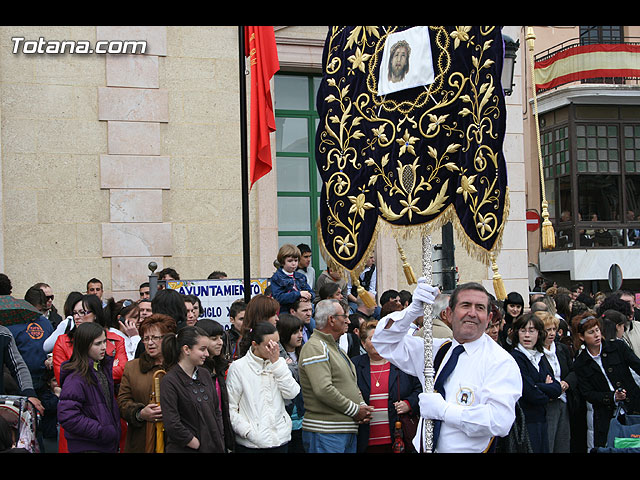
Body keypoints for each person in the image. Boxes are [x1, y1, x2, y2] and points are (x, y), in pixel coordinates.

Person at [372, 279, 522, 453]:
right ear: (449, 314)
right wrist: (411, 312)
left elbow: (499, 421)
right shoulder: (437, 351)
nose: (472, 313)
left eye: (480, 308)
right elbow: (383, 342)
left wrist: (444, 411)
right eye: (465, 305)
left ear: (488, 318)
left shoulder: (500, 361)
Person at [52, 294, 128, 453]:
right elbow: (68, 415)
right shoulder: (75, 377)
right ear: (85, 345)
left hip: (106, 442)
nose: (103, 348)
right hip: (89, 443)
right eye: (98, 344)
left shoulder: (101, 368)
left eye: (104, 343)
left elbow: (123, 369)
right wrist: (100, 430)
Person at [299, 299, 374, 453]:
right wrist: (355, 410)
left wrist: (361, 406)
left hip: (340, 431)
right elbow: (323, 389)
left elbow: (350, 384)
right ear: (331, 320)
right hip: (326, 433)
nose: (348, 320)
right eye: (343, 316)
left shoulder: (333, 347)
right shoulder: (315, 347)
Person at [226, 321, 300, 453]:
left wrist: (277, 364)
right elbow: (231, 408)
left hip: (280, 439)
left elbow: (292, 392)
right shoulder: (239, 367)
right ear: (255, 345)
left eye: (277, 343)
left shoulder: (279, 363)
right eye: (269, 345)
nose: (274, 348)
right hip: (251, 444)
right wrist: (248, 432)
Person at [571, 311, 640, 448]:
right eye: (591, 332)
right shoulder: (581, 363)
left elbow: (637, 365)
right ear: (582, 337)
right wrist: (612, 397)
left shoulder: (617, 347)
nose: (596, 335)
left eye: (597, 330)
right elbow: (588, 393)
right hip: (605, 415)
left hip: (633, 407)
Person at [352, 319, 422, 453]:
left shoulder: (401, 363)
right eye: (373, 339)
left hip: (397, 437)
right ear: (363, 343)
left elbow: (420, 389)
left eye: (382, 337)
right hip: (366, 439)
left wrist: (409, 403)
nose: (378, 342)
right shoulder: (354, 365)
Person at [160, 325, 226, 453]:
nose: (206, 354)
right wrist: (195, 443)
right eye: (202, 349)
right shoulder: (170, 381)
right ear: (186, 349)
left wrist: (219, 437)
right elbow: (172, 423)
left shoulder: (205, 374)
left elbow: (216, 411)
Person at [117, 313, 176, 453]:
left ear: (168, 339)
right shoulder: (132, 367)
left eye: (155, 338)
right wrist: (140, 413)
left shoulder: (179, 366)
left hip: (174, 440)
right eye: (146, 338)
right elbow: (123, 401)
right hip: (141, 441)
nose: (150, 343)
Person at [509, 312, 562, 453]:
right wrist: (545, 388)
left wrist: (538, 386)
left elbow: (557, 388)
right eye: (523, 331)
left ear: (539, 334)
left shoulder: (539, 356)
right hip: (525, 422)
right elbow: (530, 393)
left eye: (531, 331)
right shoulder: (516, 358)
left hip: (540, 419)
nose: (527, 335)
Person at [538, 310, 575, 453]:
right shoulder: (536, 353)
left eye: (554, 329)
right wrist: (553, 387)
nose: (552, 333)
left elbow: (573, 371)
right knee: (549, 442)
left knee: (563, 442)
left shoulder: (561, 348)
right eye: (548, 330)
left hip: (564, 400)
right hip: (548, 403)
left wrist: (566, 382)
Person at [196, 318, 234, 452]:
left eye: (220, 337)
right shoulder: (195, 371)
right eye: (214, 338)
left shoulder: (221, 367)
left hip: (222, 431)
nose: (220, 342)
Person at [276, 313, 306, 453]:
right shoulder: (277, 358)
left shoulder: (305, 353)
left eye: (301, 331)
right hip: (285, 419)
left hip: (303, 419)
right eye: (295, 332)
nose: (300, 335)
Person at [270, 243, 314, 314]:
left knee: (313, 324)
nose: (294, 264)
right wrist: (298, 294)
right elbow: (278, 297)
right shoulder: (276, 278)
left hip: (303, 310)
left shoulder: (301, 276)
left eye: (296, 260)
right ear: (282, 262)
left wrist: (308, 296)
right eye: (290, 261)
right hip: (285, 312)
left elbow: (311, 292)